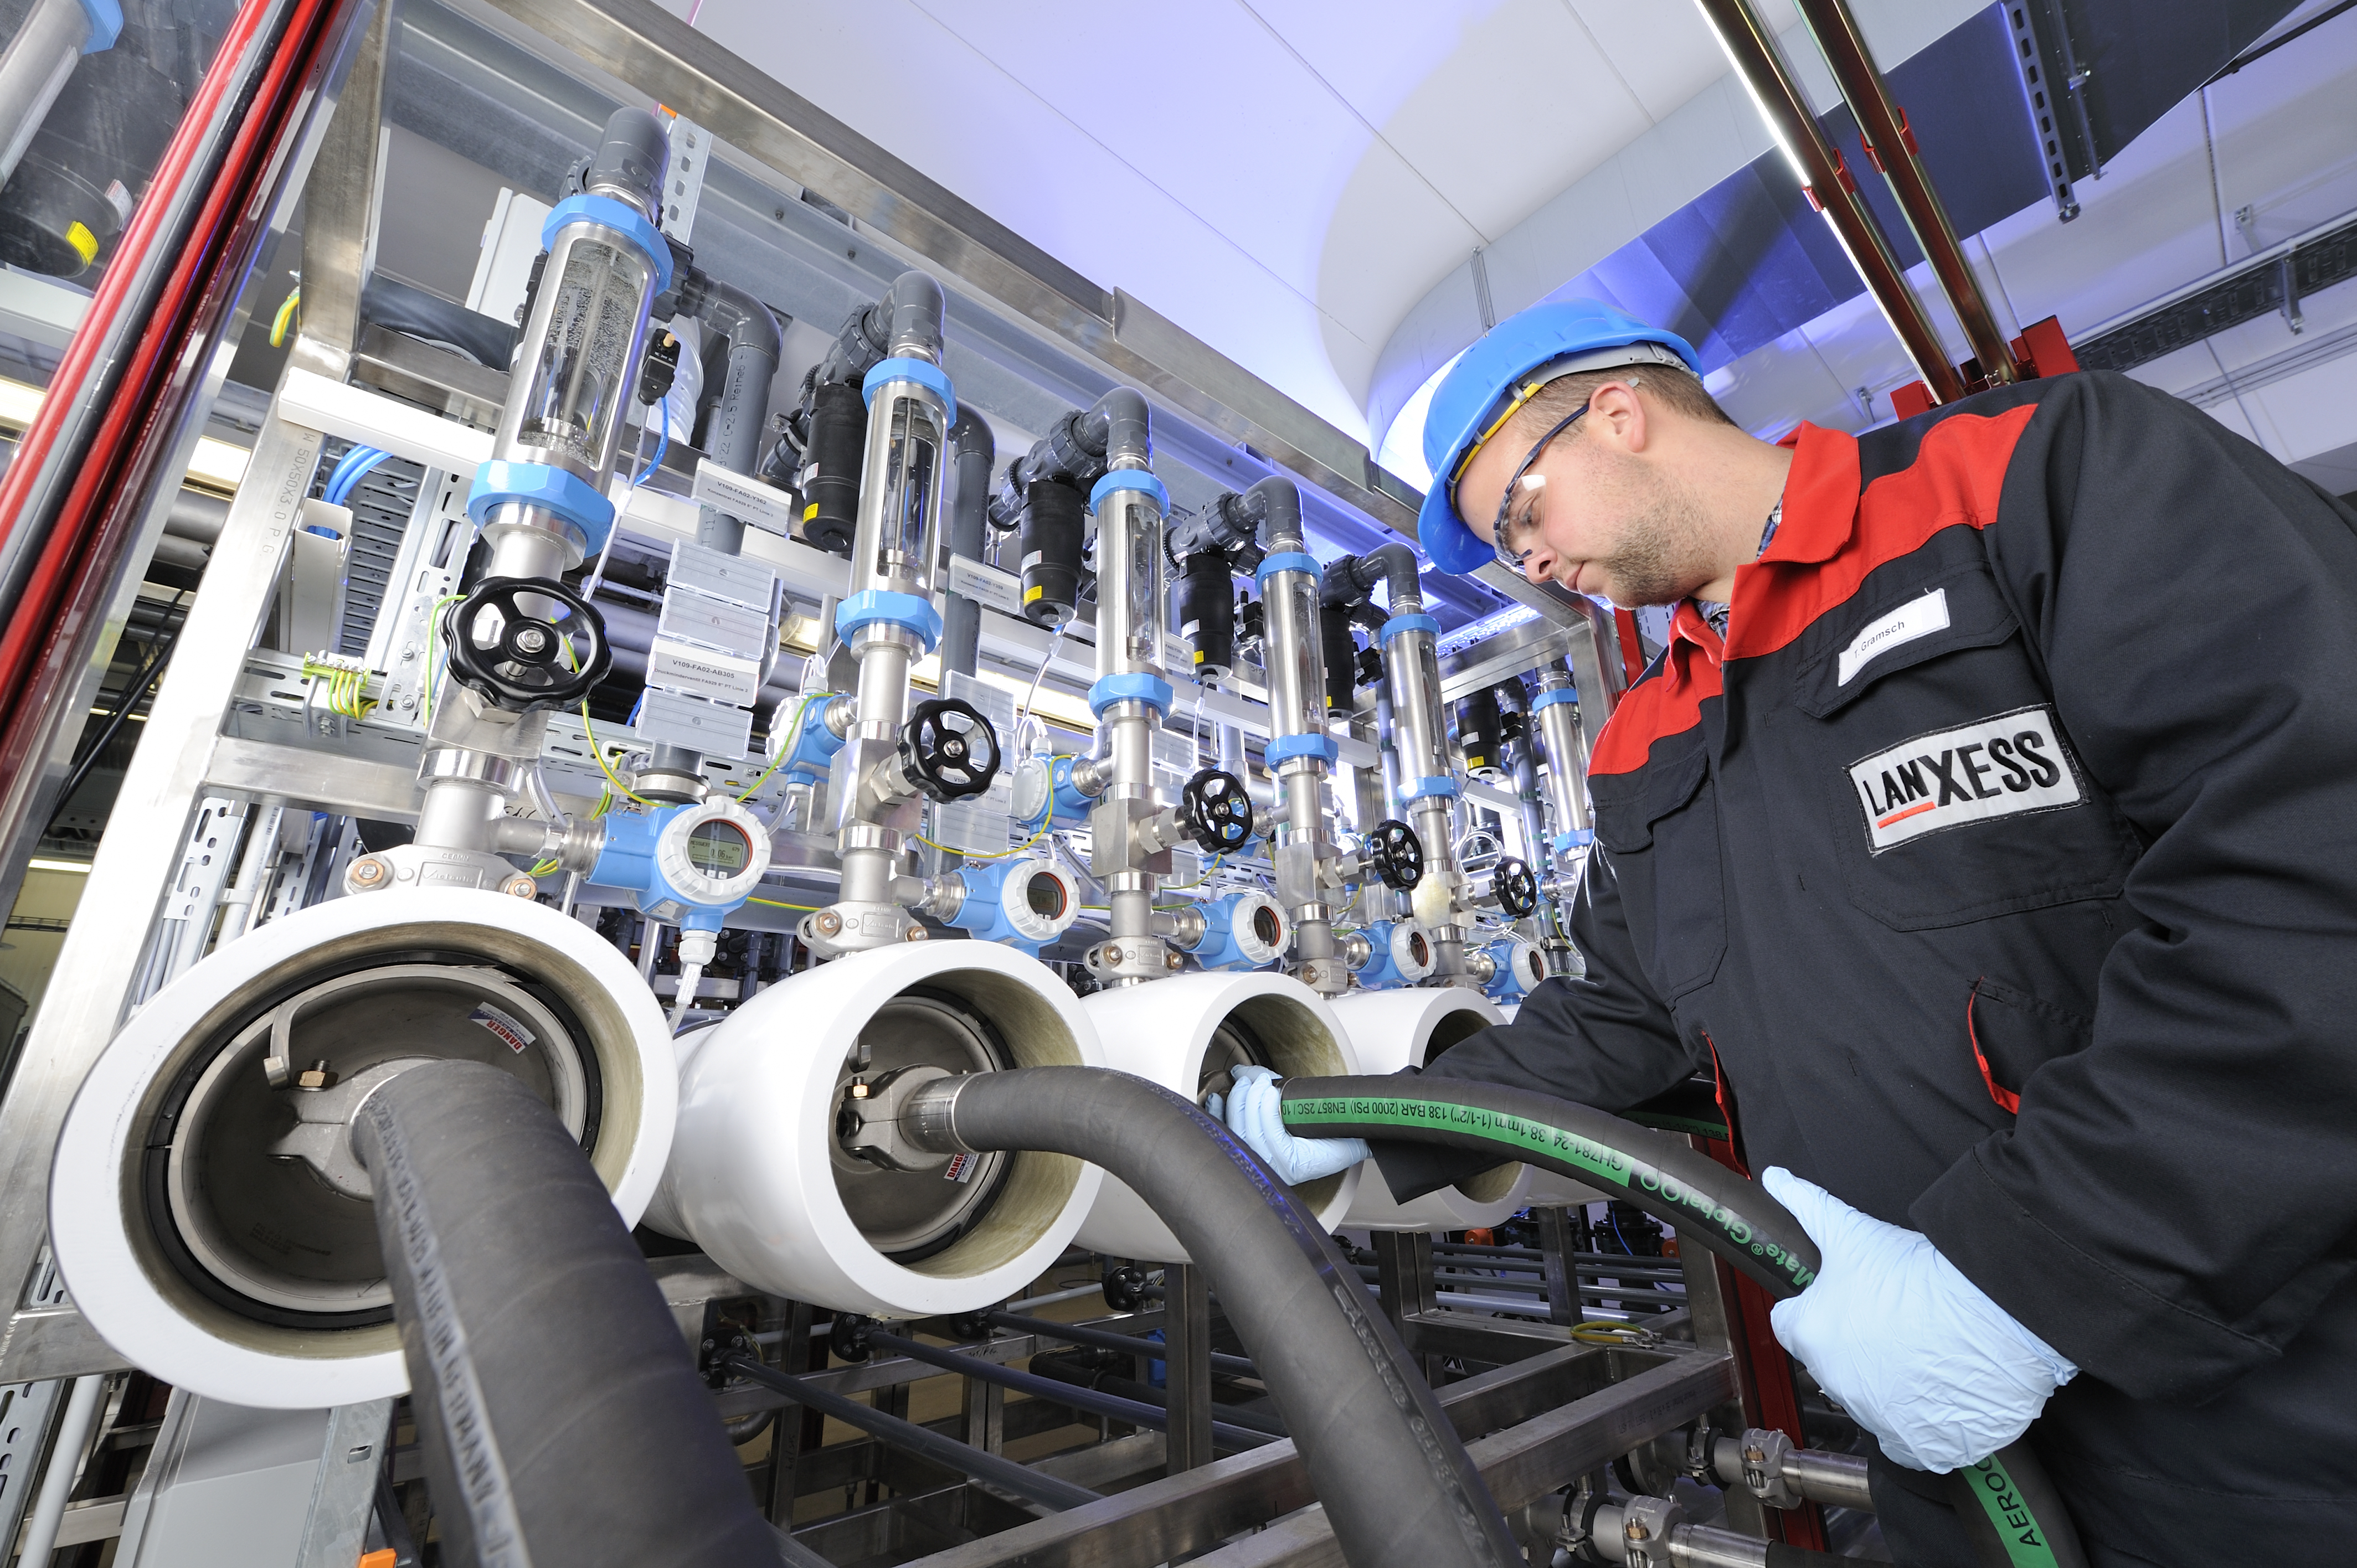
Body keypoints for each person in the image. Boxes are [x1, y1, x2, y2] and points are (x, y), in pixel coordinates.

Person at [1220, 299, 2357, 1565]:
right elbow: (1624, 1017)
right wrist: (1353, 1118)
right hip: (1938, 1437)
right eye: (1507, 552)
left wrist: (2030, 1279)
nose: (1529, 567)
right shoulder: (1644, 732)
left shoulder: (2025, 479)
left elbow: (2310, 854)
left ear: (1618, 414)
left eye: (1524, 516)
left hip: (2259, 1391)